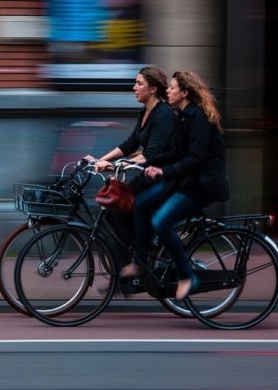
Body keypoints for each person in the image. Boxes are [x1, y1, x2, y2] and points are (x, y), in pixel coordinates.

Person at [121, 70, 229, 301]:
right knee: (140, 203)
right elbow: (175, 151)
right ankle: (140, 263)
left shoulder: (199, 119)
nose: (167, 91)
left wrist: (163, 170)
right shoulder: (182, 116)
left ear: (185, 92)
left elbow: (195, 159)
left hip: (200, 186)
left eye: (172, 87)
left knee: (161, 221)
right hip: (183, 181)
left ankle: (188, 276)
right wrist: (150, 162)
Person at [83, 66, 176, 256]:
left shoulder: (164, 114)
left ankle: (142, 254)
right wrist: (100, 160)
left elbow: (152, 153)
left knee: (122, 206)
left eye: (139, 83)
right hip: (147, 176)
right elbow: (129, 145)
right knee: (114, 210)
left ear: (153, 89)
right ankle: (135, 256)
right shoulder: (144, 113)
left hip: (162, 177)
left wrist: (120, 165)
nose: (134, 87)